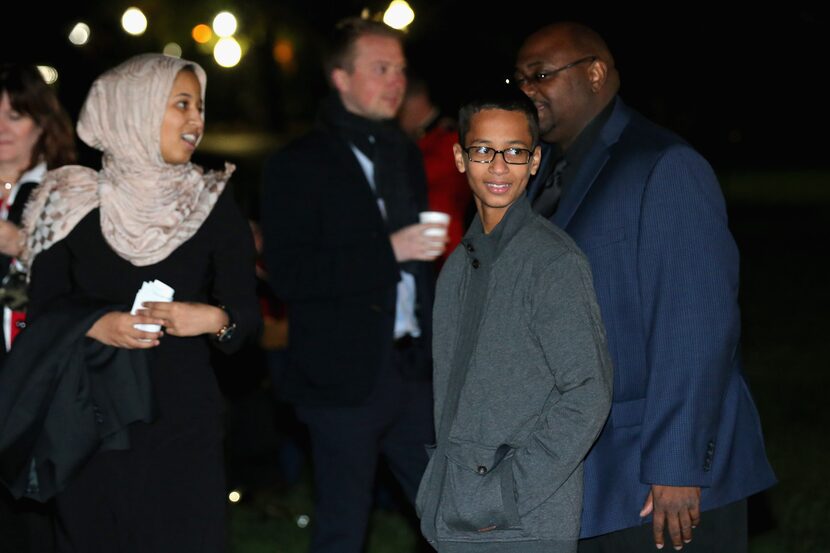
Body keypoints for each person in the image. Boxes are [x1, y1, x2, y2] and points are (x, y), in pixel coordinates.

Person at [514, 22, 776, 552]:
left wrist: (677, 465)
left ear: (594, 73)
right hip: (577, 474)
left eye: (539, 75)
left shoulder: (663, 164)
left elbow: (696, 325)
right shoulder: (542, 174)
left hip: (654, 484)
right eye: (518, 80)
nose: (526, 91)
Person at [3, 53, 260, 552]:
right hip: (90, 420)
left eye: (199, 106)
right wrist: (98, 323)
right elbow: (44, 310)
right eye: (181, 104)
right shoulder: (71, 200)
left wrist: (214, 318)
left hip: (183, 416)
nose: (196, 120)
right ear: (131, 110)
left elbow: (245, 316)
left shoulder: (211, 203)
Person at [262, 16, 442, 553]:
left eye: (401, 70)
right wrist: (390, 251)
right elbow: (291, 275)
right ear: (340, 77)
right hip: (342, 381)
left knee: (450, 516)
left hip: (413, 371)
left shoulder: (404, 153)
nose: (396, 82)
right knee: (344, 528)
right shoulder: (297, 165)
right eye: (381, 69)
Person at [415, 88, 613, 553]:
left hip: (522, 523)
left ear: (535, 160)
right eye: (484, 150)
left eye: (515, 152)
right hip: (458, 512)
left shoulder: (553, 262)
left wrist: (505, 494)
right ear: (461, 158)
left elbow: (589, 392)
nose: (499, 167)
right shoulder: (457, 267)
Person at [0, 62, 76, 553]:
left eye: (14, 115)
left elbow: (84, 282)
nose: (1, 129)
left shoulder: (65, 190)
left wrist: (22, 244)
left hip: (35, 380)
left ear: (42, 123)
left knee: (34, 521)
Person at [397, 76, 473, 267]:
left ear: (414, 99)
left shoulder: (449, 137)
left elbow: (410, 178)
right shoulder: (423, 137)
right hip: (420, 249)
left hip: (444, 253)